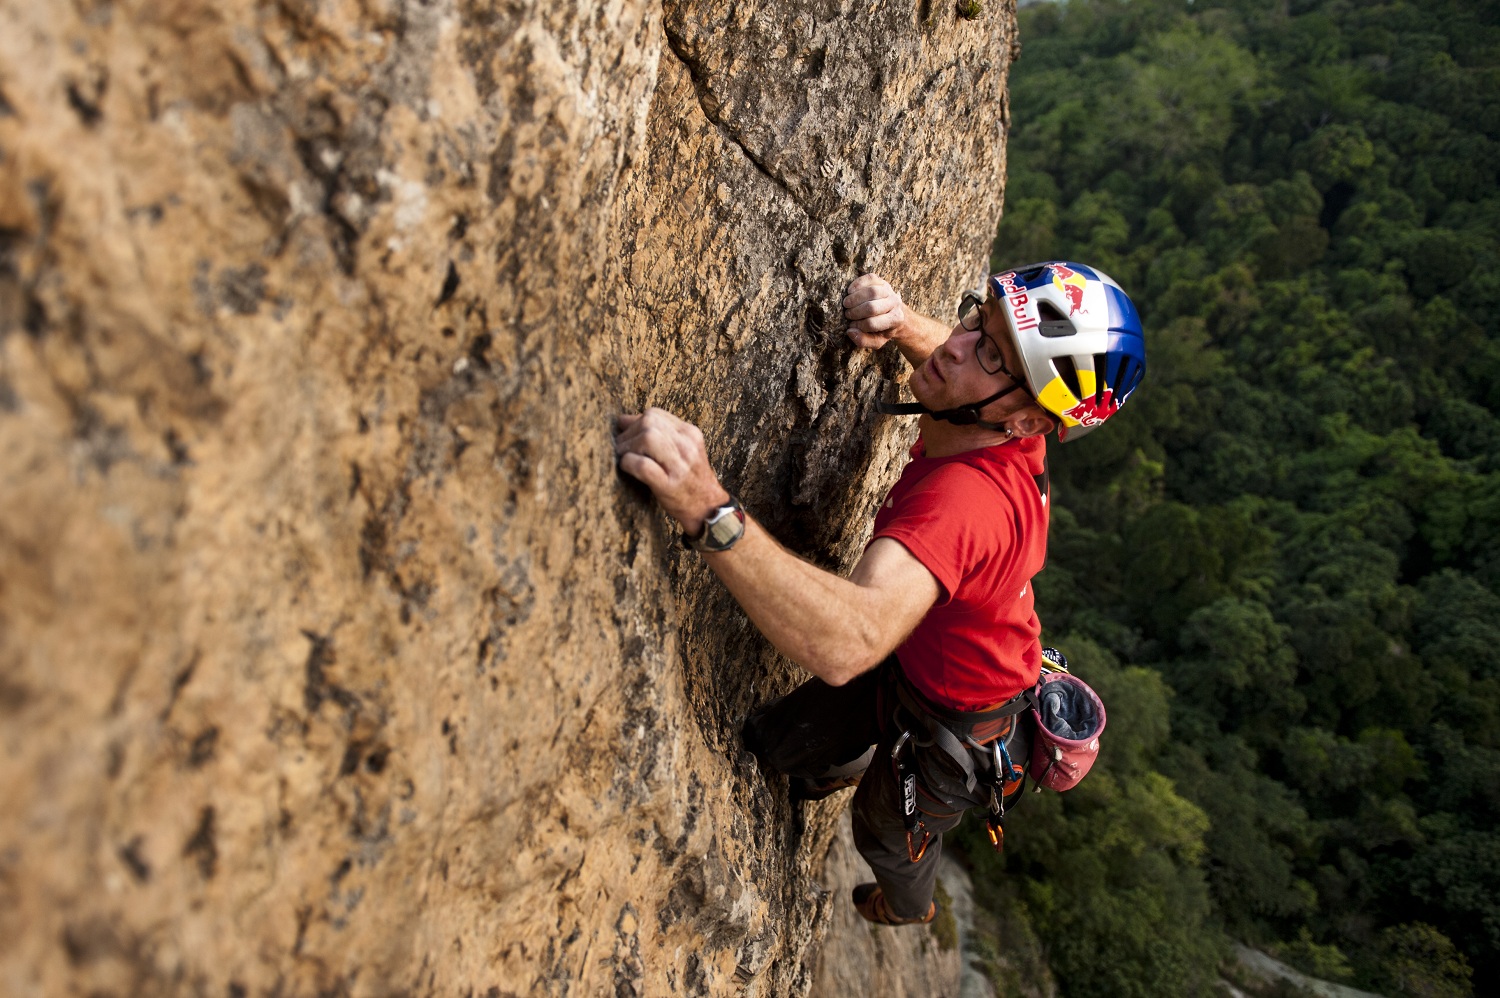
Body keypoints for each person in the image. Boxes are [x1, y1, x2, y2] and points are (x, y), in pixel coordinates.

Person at [613, 262, 1146, 925]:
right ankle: (856, 755)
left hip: (956, 718)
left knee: (887, 835)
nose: (957, 343)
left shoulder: (965, 507)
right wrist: (901, 323)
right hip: (916, 655)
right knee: (778, 747)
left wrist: (705, 504)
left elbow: (846, 642)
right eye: (979, 316)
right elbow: (959, 356)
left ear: (1027, 423)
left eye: (990, 352)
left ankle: (908, 906)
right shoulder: (1000, 417)